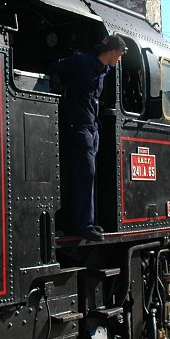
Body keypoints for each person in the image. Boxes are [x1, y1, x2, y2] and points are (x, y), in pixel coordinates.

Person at [48, 34, 128, 241]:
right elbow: (56, 65)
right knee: (85, 174)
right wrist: (56, 80)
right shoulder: (82, 61)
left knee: (89, 175)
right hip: (78, 124)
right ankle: (83, 225)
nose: (119, 60)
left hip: (91, 126)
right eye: (119, 55)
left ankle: (86, 221)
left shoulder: (104, 70)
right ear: (112, 52)